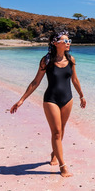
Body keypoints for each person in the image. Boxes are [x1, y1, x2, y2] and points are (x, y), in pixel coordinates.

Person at [9, 31, 86, 177]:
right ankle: (63, 166)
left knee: (61, 130)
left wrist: (81, 95)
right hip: (51, 99)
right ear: (55, 43)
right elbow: (35, 82)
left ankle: (55, 153)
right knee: (56, 132)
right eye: (65, 41)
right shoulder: (47, 60)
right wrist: (21, 100)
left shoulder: (71, 59)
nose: (68, 43)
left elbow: (75, 80)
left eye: (69, 41)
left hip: (68, 99)